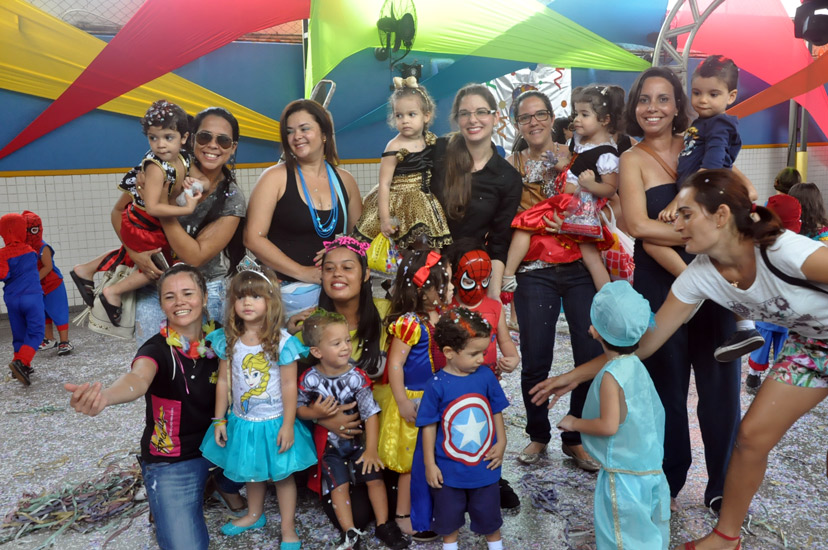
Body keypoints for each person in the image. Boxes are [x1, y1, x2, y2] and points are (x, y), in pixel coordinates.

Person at [530, 169, 828, 550]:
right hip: (811, 345)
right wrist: (574, 376)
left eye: (687, 214)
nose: (677, 224)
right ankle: (725, 537)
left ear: (720, 215)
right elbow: (642, 346)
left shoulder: (782, 251)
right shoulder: (700, 275)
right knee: (751, 437)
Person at [614, 66, 740, 512]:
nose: (653, 108)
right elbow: (637, 225)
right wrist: (701, 234)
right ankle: (669, 476)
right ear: (634, 107)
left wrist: (702, 236)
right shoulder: (632, 159)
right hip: (658, 283)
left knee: (720, 387)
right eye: (644, 99)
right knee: (665, 387)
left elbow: (730, 204)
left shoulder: (702, 143)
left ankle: (722, 482)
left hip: (715, 282)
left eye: (663, 99)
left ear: (677, 106)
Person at [64, 264, 244, 550]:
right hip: (175, 458)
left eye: (188, 293)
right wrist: (106, 397)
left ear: (204, 296)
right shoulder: (156, 349)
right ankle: (163, 496)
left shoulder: (222, 339)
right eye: (170, 296)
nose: (180, 302)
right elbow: (137, 378)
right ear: (161, 304)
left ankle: (221, 483)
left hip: (224, 445)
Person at [71, 107, 247, 347]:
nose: (213, 145)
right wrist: (135, 254)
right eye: (205, 136)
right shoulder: (163, 169)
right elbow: (119, 212)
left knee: (206, 362)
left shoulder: (232, 198)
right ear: (191, 138)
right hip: (156, 288)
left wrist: (162, 207)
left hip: (208, 292)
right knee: (154, 358)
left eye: (223, 140)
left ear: (233, 147)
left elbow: (195, 257)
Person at [645, 56, 762, 362]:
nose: (703, 100)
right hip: (704, 197)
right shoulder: (702, 123)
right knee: (712, 258)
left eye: (713, 94)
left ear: (731, 96)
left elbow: (712, 167)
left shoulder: (720, 123)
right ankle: (741, 321)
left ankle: (741, 321)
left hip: (708, 197)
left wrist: (678, 201)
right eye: (697, 93)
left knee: (720, 258)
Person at [199, 268, 316, 546]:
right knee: (251, 471)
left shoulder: (282, 342)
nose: (247, 303)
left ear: (270, 301)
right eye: (241, 297)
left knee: (283, 476)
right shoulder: (229, 340)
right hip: (243, 421)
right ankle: (254, 514)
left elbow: (289, 386)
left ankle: (288, 527)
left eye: (255, 296)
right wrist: (219, 419)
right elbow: (224, 382)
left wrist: (288, 425)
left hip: (275, 421)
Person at [557, 281, 670, 550]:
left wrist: (574, 422)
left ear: (595, 330)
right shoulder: (636, 365)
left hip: (623, 475)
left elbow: (608, 426)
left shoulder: (611, 374)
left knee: (619, 538)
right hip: (649, 468)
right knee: (647, 535)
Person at [73, 100, 201, 326]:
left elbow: (191, 183)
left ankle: (86, 269)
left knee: (140, 253)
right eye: (153, 138)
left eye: (168, 137)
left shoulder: (182, 158)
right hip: (143, 221)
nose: (160, 144)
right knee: (158, 265)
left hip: (145, 221)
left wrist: (199, 186)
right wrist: (187, 208)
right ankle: (113, 292)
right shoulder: (156, 168)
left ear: (184, 138)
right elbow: (153, 207)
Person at [296, 310, 407, 550]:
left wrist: (371, 450)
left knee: (374, 478)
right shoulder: (310, 379)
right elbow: (298, 409)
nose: (346, 347)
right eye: (336, 343)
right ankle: (350, 532)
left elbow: (370, 413)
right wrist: (315, 413)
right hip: (329, 447)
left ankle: (384, 524)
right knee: (339, 485)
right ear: (317, 351)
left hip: (358, 443)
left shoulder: (357, 377)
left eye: (347, 340)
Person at [245, 99, 362, 317]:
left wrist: (339, 246)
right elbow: (253, 238)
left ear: (324, 134)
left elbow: (359, 238)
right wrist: (303, 273)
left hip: (331, 292)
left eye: (304, 128)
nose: (296, 136)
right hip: (283, 294)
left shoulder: (345, 181)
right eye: (290, 131)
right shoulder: (274, 178)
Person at [504, 84, 625, 294]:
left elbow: (615, 201)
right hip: (533, 267)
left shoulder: (579, 153)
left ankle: (609, 298)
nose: (534, 122)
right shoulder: (511, 163)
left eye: (540, 114)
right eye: (525, 118)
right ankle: (508, 276)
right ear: (517, 125)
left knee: (591, 266)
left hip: (576, 255)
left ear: (552, 118)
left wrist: (578, 223)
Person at [417, 307, 509, 550]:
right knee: (448, 522)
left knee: (490, 519)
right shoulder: (435, 385)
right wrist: (429, 464)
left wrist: (502, 442)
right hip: (448, 471)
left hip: (485, 467)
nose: (481, 359)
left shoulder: (486, 376)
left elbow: (496, 410)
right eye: (474, 353)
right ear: (449, 352)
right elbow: (428, 426)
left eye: (483, 352)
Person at [377, 250, 453, 542]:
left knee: (435, 457)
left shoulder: (444, 317)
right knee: (412, 464)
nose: (452, 287)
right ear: (423, 290)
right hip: (415, 400)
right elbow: (395, 364)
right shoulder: (410, 323)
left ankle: (432, 509)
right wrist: (402, 401)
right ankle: (404, 515)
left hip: (439, 399)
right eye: (445, 282)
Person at [431, 83, 522, 299]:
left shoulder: (507, 177)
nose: (473, 120)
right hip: (429, 271)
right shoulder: (438, 152)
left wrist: (494, 298)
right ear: (457, 119)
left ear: (496, 117)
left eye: (481, 112)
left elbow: (499, 242)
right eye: (465, 114)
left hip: (471, 276)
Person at [354, 77, 451, 250]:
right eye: (399, 115)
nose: (405, 120)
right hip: (396, 202)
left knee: (429, 244)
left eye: (411, 114)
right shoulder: (394, 146)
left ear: (426, 116)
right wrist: (385, 219)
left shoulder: (430, 140)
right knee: (396, 247)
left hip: (423, 202)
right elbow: (384, 184)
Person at [745, 193, 802, 391]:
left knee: (765, 345)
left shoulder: (757, 246)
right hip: (783, 311)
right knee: (778, 346)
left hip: (768, 311)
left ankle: (756, 377)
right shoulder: (797, 248)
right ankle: (765, 380)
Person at [445, 239, 520, 378]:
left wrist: (513, 357)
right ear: (454, 277)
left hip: (487, 377)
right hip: (454, 378)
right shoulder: (446, 309)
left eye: (484, 280)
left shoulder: (495, 307)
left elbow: (505, 340)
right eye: (469, 281)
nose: (478, 288)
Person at [1, 213, 44, 386]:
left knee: (19, 333)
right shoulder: (30, 251)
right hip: (32, 297)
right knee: (36, 331)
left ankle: (19, 366)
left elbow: (3, 275)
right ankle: (22, 362)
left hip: (12, 299)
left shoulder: (2, 254)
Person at [22, 211, 73, 356]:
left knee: (58, 312)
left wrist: (33, 280)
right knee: (43, 313)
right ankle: (49, 339)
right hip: (38, 286)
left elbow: (48, 267)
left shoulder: (43, 247)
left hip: (53, 285)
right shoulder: (25, 248)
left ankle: (64, 341)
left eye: (32, 229)